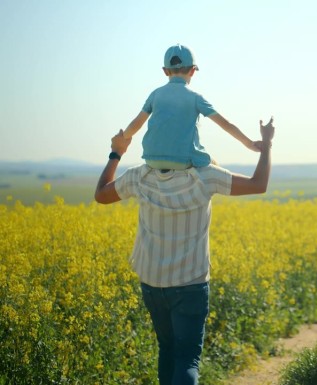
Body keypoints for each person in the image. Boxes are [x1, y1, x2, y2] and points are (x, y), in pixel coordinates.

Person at [94, 118, 275, 385]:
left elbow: (101, 194)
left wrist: (116, 152)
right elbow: (258, 184)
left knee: (167, 350)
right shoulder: (206, 175)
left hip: (153, 284)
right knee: (187, 359)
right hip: (190, 284)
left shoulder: (139, 176)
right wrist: (267, 144)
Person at [122, 44, 261, 170]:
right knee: (215, 165)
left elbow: (136, 124)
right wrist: (250, 144)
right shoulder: (196, 98)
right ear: (193, 71)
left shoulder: (155, 94)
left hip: (151, 159)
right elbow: (226, 124)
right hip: (183, 160)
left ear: (165, 71)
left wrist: (123, 137)